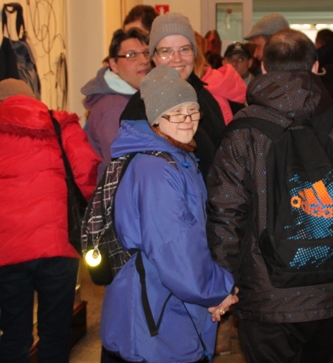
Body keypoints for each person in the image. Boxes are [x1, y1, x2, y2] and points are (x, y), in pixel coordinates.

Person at [206, 29, 333, 363]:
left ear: (263, 68)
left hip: (266, 288)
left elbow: (225, 213)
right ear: (315, 67)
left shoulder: (243, 133)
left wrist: (222, 281)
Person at [100, 65, 237, 363]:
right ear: (155, 119)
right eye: (175, 113)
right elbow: (175, 250)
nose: (187, 120)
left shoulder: (178, 157)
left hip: (163, 303)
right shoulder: (157, 171)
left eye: (192, 110)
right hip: (154, 317)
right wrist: (218, 291)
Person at [0, 79, 100, 363]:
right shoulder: (60, 124)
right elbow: (86, 174)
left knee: (14, 334)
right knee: (55, 332)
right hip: (58, 245)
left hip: (7, 250)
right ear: (32, 99)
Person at [119, 12, 226, 175]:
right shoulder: (140, 107)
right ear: (153, 57)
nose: (177, 59)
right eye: (166, 51)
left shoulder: (206, 97)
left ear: (194, 53)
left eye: (184, 49)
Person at [82, 27, 151, 177]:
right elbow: (123, 169)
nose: (144, 61)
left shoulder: (136, 98)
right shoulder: (113, 108)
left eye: (146, 53)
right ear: (113, 64)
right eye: (132, 55)